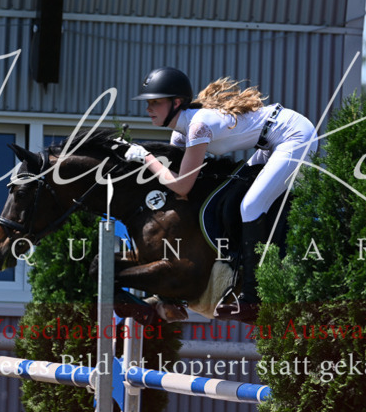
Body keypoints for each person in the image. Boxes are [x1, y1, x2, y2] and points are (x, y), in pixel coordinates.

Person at [128, 67, 318, 321]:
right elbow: (180, 188)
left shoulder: (197, 127)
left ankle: (252, 299)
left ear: (176, 103)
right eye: (148, 103)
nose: (149, 109)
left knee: (251, 206)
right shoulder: (180, 133)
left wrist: (146, 157)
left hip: (294, 135)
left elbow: (182, 185)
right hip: (269, 141)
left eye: (156, 103)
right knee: (234, 194)